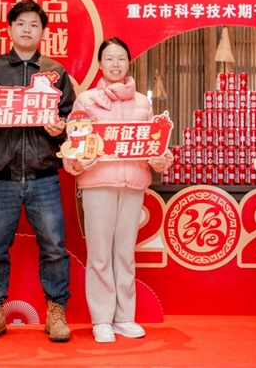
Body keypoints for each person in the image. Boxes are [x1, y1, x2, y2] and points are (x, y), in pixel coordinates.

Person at [0, 0, 76, 344]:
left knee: (54, 248)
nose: (27, 29)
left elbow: (72, 123)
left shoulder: (55, 72)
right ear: (9, 29)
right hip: (0, 177)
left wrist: (61, 129)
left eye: (34, 24)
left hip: (43, 175)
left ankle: (56, 312)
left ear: (43, 32)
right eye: (21, 23)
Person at [63, 37, 172, 344]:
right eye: (109, 58)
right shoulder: (86, 101)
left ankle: (125, 317)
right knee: (99, 255)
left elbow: (152, 142)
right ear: (100, 64)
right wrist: (79, 160)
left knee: (124, 254)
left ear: (128, 63)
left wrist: (159, 158)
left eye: (121, 58)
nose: (115, 64)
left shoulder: (142, 102)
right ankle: (101, 320)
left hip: (133, 184)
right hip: (98, 183)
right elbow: (73, 143)